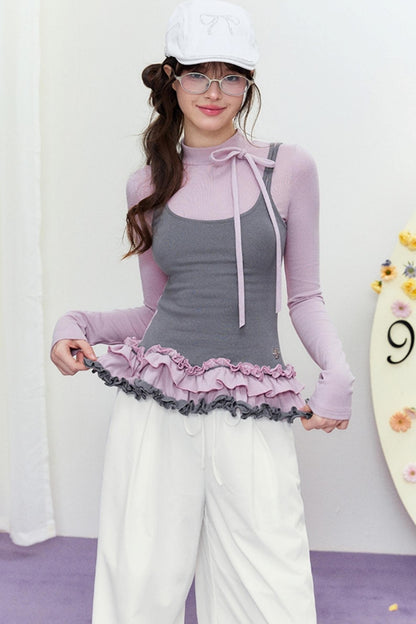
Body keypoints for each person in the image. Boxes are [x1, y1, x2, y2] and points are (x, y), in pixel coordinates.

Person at [51, 0, 354, 622]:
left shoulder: (288, 169)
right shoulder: (146, 185)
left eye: (231, 75)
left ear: (248, 82)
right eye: (197, 74)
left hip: (252, 404)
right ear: (172, 78)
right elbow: (156, 311)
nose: (214, 92)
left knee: (272, 594)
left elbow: (303, 295)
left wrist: (338, 371)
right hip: (156, 409)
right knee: (140, 587)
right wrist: (78, 324)